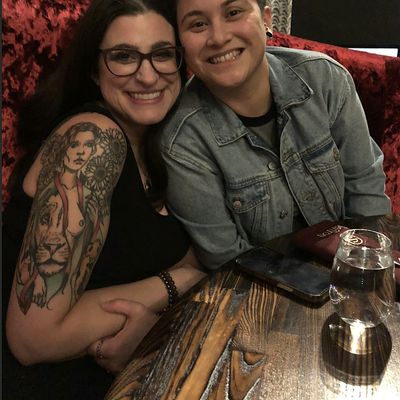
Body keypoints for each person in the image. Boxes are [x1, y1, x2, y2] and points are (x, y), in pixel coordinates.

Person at [2, 0, 206, 398]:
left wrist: (151, 326)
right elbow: (33, 340)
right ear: (94, 71)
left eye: (163, 54)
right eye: (123, 57)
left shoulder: (160, 148)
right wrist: (177, 282)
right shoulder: (93, 140)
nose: (147, 75)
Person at [160, 0, 392, 270]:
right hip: (262, 289)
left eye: (233, 13)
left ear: (266, 20)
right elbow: (228, 259)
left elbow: (366, 196)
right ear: (180, 44)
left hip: (353, 273)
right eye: (198, 24)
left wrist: (363, 277)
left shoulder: (326, 79)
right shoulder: (182, 141)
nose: (219, 38)